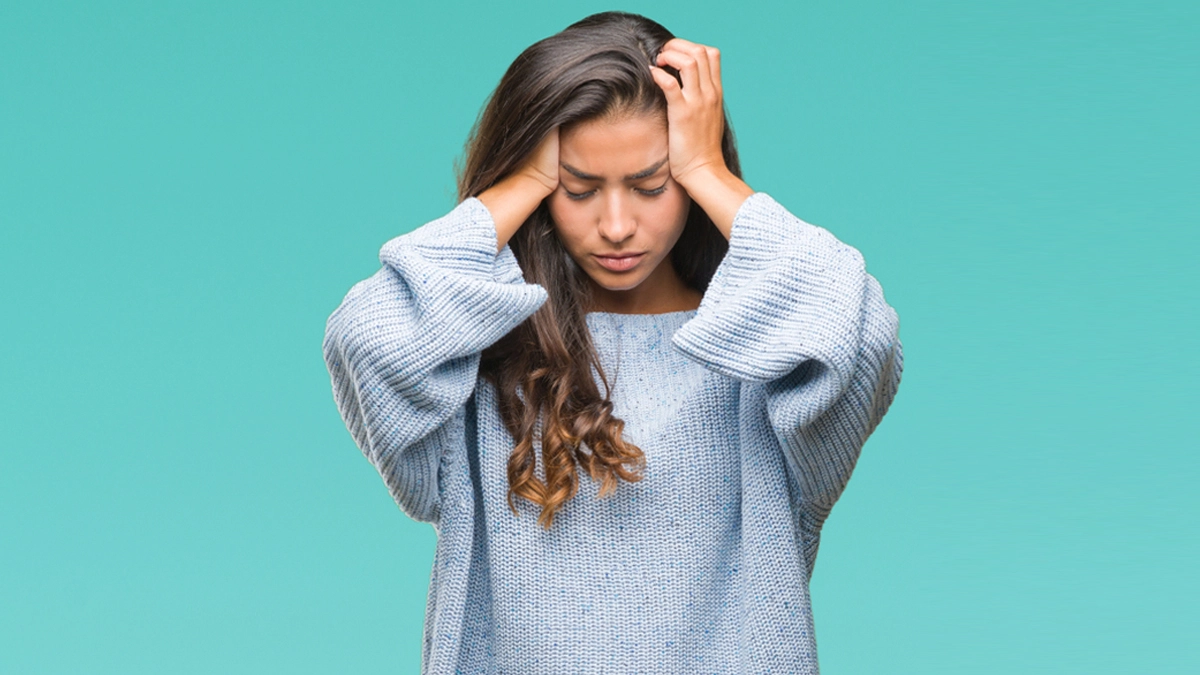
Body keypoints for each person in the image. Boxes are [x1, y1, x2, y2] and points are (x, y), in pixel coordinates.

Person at [322, 10, 903, 675]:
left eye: (653, 185)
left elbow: (862, 334)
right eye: (579, 188)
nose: (617, 224)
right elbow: (366, 339)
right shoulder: (482, 354)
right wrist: (521, 182)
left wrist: (709, 170)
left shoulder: (763, 354)